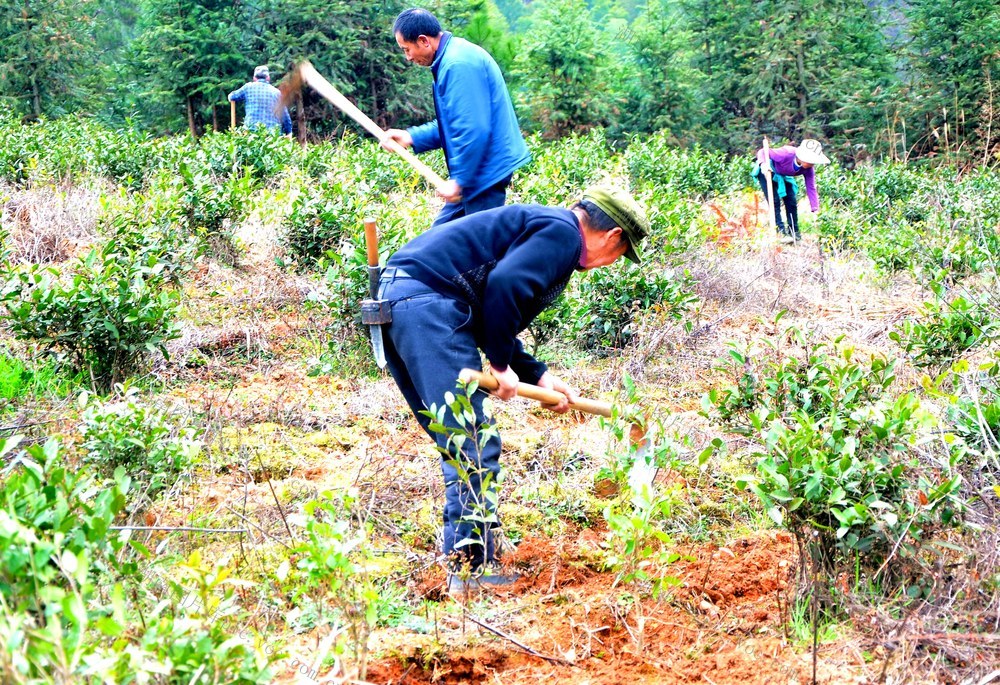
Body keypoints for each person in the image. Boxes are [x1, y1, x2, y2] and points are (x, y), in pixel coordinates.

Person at [376, 184, 649, 597]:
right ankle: (471, 572)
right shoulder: (563, 234)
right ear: (612, 237)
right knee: (470, 440)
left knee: (457, 438)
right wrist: (500, 366)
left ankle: (470, 552)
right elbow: (503, 287)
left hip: (404, 300)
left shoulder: (545, 226)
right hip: (427, 304)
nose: (611, 263)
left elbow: (491, 306)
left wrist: (536, 375)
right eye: (619, 255)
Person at [383, 8, 531, 226]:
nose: (408, 57)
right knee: (438, 242)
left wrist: (459, 181)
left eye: (407, 49)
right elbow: (454, 124)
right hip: (476, 174)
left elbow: (473, 129)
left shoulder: (457, 64)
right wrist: (411, 136)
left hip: (484, 173)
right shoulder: (451, 58)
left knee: (477, 250)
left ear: (423, 41)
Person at [753, 139, 830, 242]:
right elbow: (763, 151)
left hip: (783, 175)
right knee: (774, 202)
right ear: (802, 157)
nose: (813, 163)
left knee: (791, 201)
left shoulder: (808, 169)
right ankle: (780, 232)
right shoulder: (786, 154)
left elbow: (811, 187)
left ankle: (794, 232)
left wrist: (815, 208)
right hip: (767, 171)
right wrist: (763, 164)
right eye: (811, 160)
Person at [228, 65, 292, 136]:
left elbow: (232, 97)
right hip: (273, 135)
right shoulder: (277, 93)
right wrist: (288, 132)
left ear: (254, 78)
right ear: (268, 78)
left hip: (251, 134)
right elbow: (285, 117)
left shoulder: (248, 88)